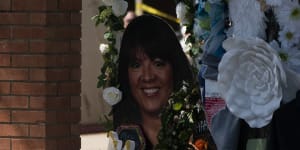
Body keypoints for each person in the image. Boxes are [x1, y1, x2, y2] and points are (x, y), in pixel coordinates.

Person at [112, 15, 214, 149]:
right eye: (136, 65)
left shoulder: (206, 131)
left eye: (158, 64)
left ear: (175, 69)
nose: (148, 77)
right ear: (126, 74)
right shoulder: (121, 138)